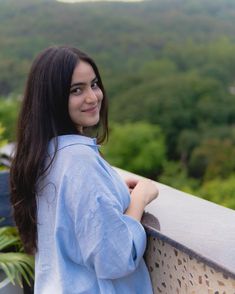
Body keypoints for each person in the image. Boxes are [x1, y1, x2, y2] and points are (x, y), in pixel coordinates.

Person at [10, 45, 159, 294]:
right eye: (76, 90)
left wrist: (112, 189)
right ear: (52, 98)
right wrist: (140, 199)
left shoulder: (42, 155)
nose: (92, 97)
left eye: (94, 84)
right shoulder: (79, 159)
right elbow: (116, 258)